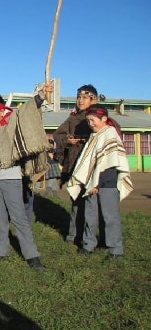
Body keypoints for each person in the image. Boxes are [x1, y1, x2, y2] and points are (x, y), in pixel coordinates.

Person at [0, 84, 52, 271]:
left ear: (1, 111)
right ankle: (1, 251)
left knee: (19, 217)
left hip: (11, 178)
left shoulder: (11, 123)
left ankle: (32, 256)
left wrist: (41, 96)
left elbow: (27, 112)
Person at [67, 105, 133, 259]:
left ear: (104, 119)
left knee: (110, 218)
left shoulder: (109, 134)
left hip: (107, 184)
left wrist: (98, 183)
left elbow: (110, 162)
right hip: (92, 183)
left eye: (93, 120)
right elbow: (90, 162)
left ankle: (116, 249)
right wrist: (91, 182)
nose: (90, 124)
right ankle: (89, 245)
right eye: (88, 121)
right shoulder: (94, 136)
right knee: (90, 216)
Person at [53, 84, 107, 245]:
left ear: (94, 99)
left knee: (97, 204)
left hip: (95, 167)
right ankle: (73, 235)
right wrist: (67, 141)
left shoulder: (101, 118)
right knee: (77, 201)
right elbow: (58, 135)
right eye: (78, 97)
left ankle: (100, 239)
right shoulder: (72, 118)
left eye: (84, 97)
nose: (80, 100)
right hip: (75, 166)